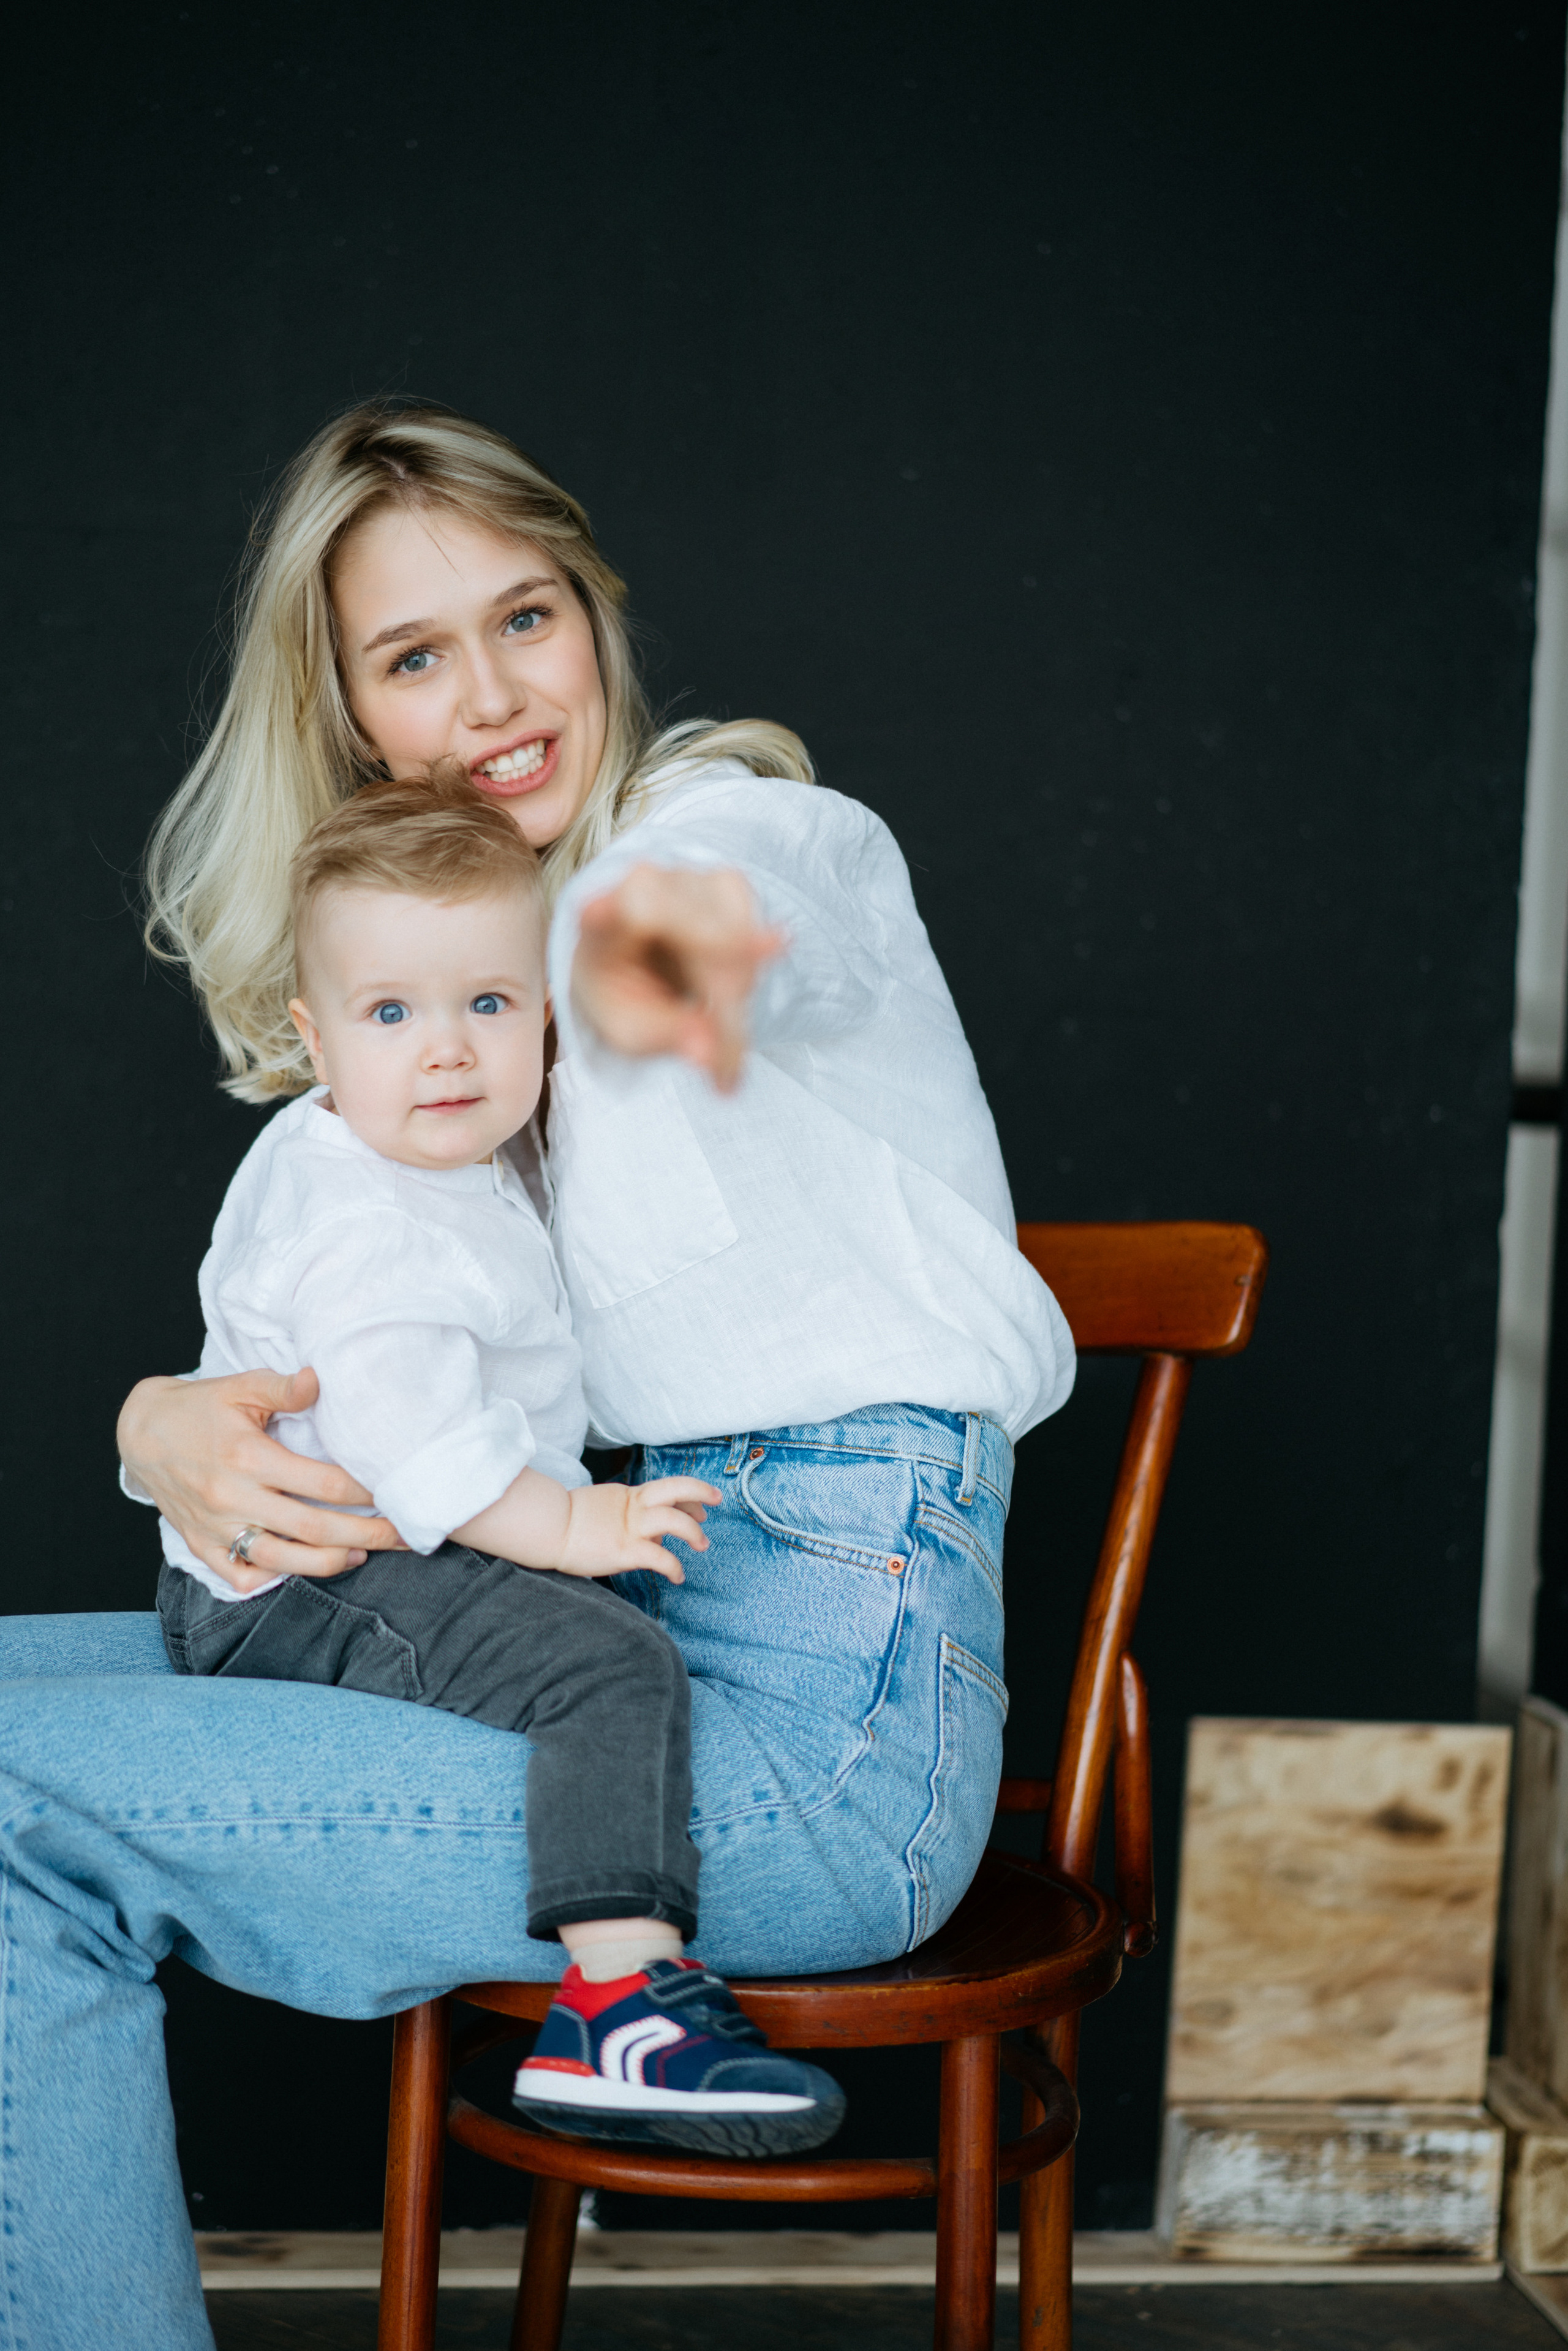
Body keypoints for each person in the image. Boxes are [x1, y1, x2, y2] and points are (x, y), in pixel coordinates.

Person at [0, 399, 1073, 2349]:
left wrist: (612, 955)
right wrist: (157, 1427)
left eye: (527, 617)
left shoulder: (726, 839)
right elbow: (366, 1330)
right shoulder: (468, 1030)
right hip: (596, 1647)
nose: (494, 695)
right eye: (415, 657)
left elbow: (706, 922)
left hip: (821, 1748)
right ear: (351, 718)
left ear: (595, 616)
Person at [153, 763, 842, 2155]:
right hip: (304, 1584)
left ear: (544, 1015)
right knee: (607, 1662)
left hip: (335, 1555)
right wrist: (581, 1528)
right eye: (390, 1013)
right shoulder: (375, 1232)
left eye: (487, 1003)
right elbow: (430, 1458)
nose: (448, 1052)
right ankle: (620, 2001)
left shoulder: (389, 1155)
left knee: (579, 1634)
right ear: (313, 1034)